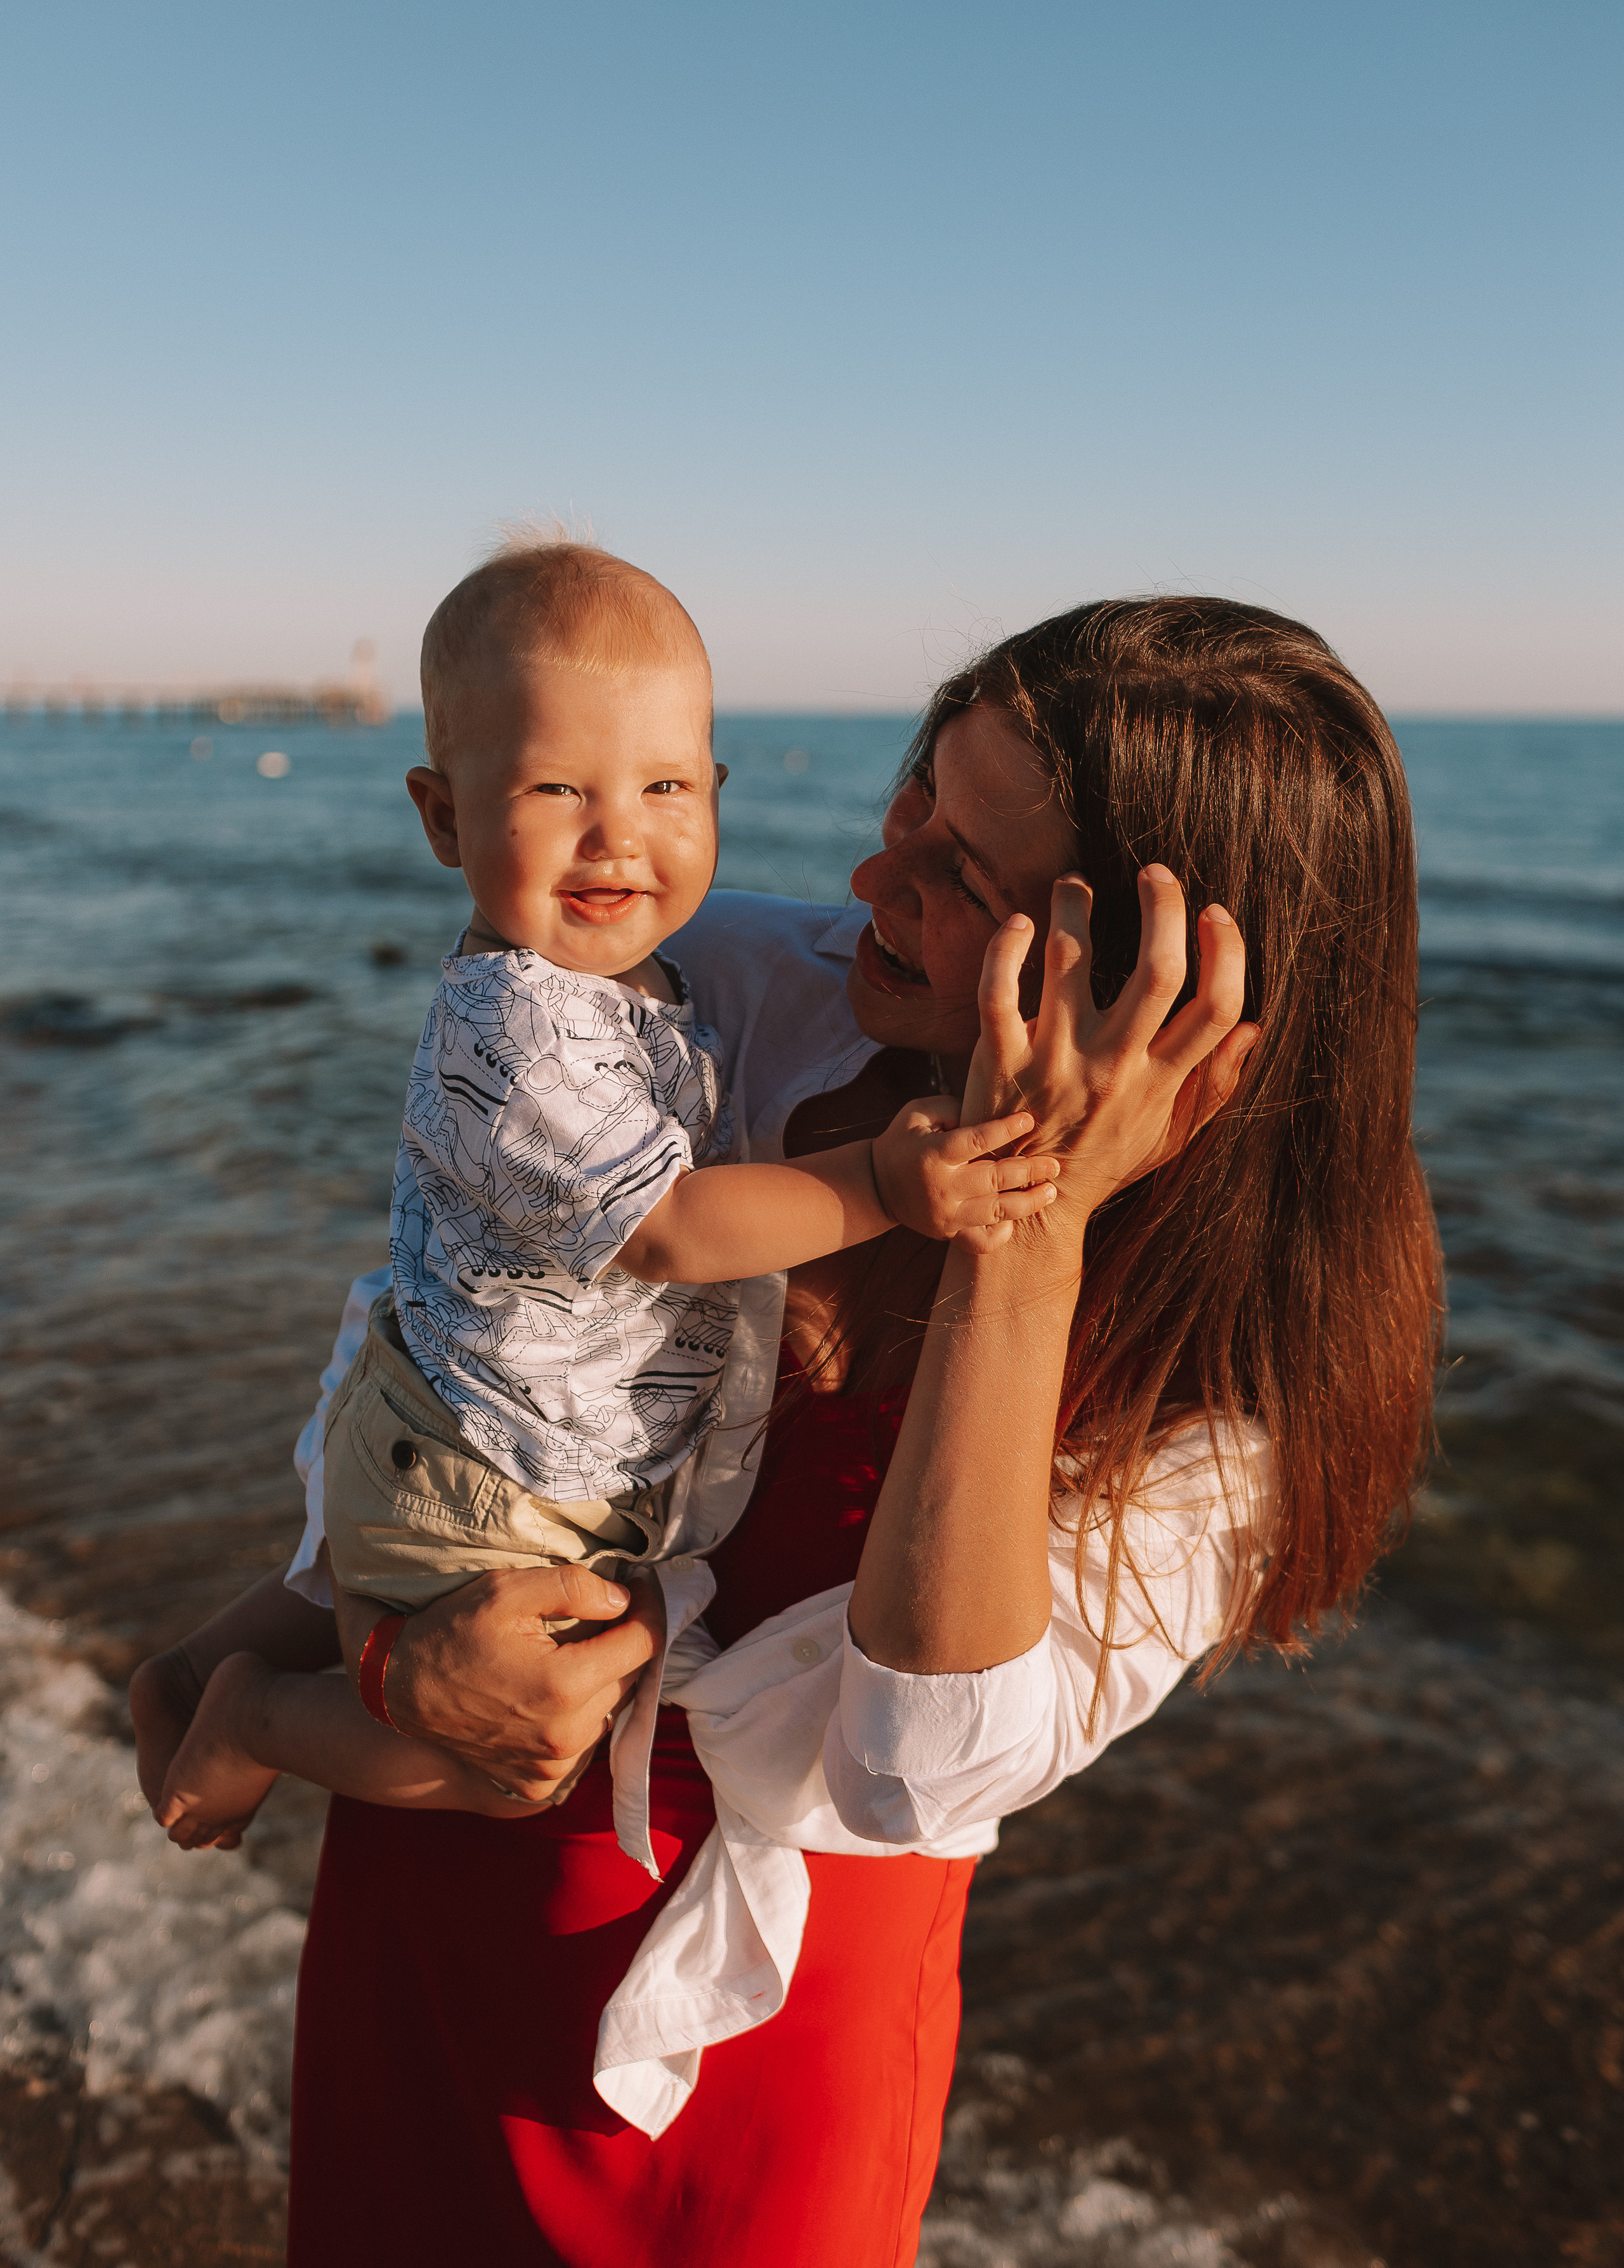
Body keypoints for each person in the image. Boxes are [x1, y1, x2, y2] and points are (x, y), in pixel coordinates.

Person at [131, 594, 1439, 2268]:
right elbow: (455, 1297)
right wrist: (361, 1648)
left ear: (1146, 986)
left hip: (752, 2050)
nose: (875, 887)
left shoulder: (1240, 1385)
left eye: (971, 882)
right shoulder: (734, 986)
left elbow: (919, 1767)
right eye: (915, 805)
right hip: (433, 1887)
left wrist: (1024, 1235)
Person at [141, 539, 1053, 1848]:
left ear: (717, 790)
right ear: (444, 816)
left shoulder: (637, 986)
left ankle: (217, 1682)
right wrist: (882, 1185)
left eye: (666, 784)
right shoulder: (518, 1027)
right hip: (481, 1478)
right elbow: (671, 1229)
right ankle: (248, 1720)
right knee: (511, 1766)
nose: (617, 833)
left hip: (502, 1452)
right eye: (557, 786)